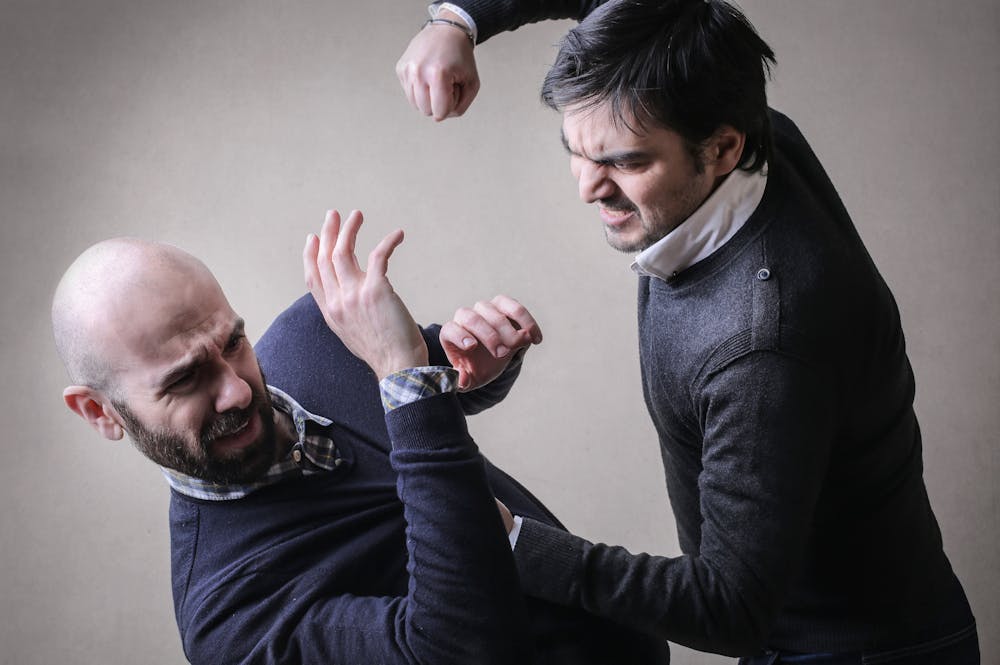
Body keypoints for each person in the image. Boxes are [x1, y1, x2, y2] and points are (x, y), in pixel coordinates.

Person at [396, 1, 980, 663]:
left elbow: (728, 608)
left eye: (624, 162)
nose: (590, 187)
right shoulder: (732, 118)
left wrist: (510, 542)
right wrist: (459, 20)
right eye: (575, 151)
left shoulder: (764, 344)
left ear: (723, 147)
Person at [51, 209, 670, 664]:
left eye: (232, 342)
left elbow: (435, 387)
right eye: (185, 379)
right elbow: (462, 651)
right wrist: (408, 383)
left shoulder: (312, 333)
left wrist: (478, 364)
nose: (238, 390)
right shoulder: (229, 619)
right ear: (100, 413)